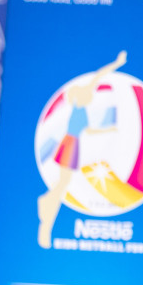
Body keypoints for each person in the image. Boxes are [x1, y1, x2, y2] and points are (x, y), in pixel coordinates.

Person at [36, 49, 127, 248]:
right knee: (61, 187)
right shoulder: (78, 103)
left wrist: (108, 130)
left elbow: (89, 131)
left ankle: (47, 208)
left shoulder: (82, 111)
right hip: (69, 146)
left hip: (73, 146)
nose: (91, 93)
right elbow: (98, 76)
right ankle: (46, 216)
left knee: (62, 185)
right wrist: (117, 64)